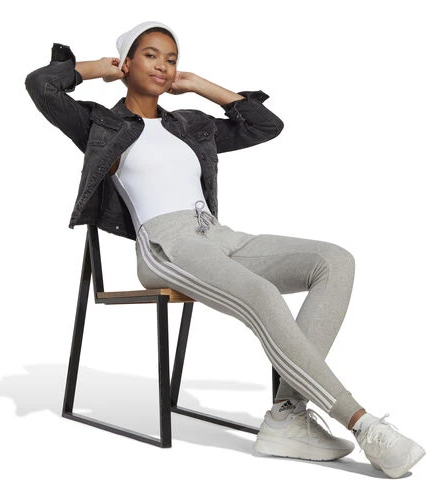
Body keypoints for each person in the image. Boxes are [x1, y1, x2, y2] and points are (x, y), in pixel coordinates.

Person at [25, 20, 425, 478]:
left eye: (172, 59)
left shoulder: (188, 125)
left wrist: (199, 85)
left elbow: (265, 125)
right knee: (261, 295)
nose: (163, 65)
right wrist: (99, 68)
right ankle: (363, 423)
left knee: (334, 261)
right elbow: (41, 86)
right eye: (151, 55)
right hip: (166, 245)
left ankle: (286, 415)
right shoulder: (101, 123)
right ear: (128, 61)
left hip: (217, 235)